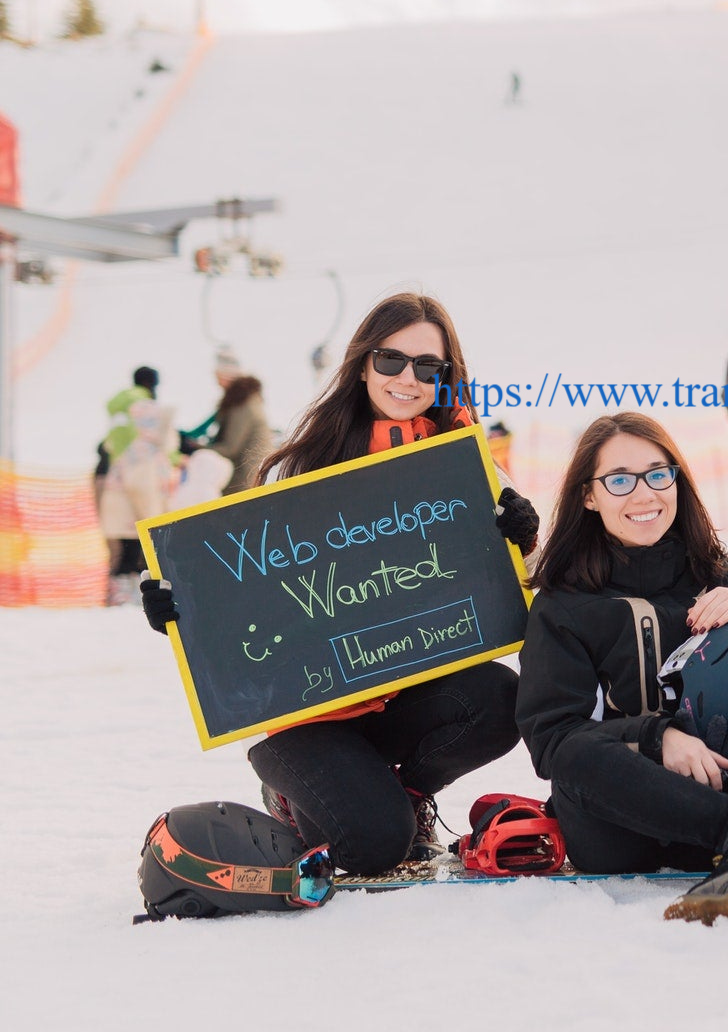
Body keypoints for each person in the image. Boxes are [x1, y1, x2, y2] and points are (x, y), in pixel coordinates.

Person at [139, 293, 535, 874]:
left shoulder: (464, 460)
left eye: (429, 366)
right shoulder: (304, 465)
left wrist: (520, 538)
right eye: (391, 360)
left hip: (405, 687)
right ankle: (294, 790)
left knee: (502, 699)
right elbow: (245, 576)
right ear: (362, 363)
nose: (408, 378)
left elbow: (507, 586)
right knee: (374, 849)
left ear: (448, 377)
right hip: (314, 711)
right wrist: (181, 605)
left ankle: (403, 791)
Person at [518, 413, 728, 933]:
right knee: (579, 758)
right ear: (589, 496)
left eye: (659, 473)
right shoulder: (563, 604)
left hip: (723, 775)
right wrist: (658, 739)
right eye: (620, 480)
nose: (644, 493)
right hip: (622, 824)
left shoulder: (723, 574)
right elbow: (551, 741)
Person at [99, 367, 174, 607]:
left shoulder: (118, 407)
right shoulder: (147, 409)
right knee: (144, 542)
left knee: (124, 545)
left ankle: (119, 594)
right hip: (142, 480)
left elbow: (109, 445)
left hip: (118, 480)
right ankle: (131, 595)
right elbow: (164, 445)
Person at [180, 347, 272, 496]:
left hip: (245, 481)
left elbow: (230, 447)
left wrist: (196, 449)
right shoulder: (241, 401)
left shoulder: (242, 403)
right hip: (247, 477)